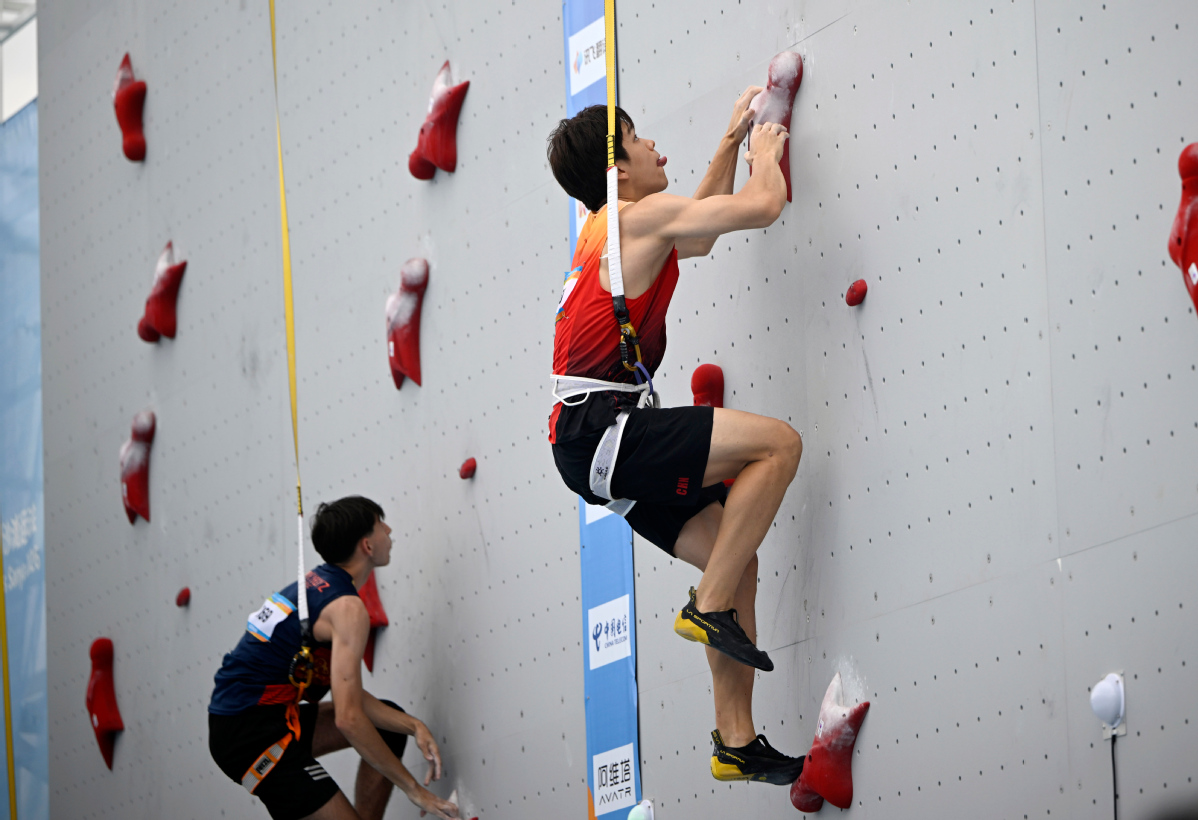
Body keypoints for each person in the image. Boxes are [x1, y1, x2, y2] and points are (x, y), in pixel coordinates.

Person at [546, 91, 804, 785]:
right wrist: (766, 155)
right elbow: (759, 209)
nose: (655, 146)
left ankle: (736, 742)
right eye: (638, 139)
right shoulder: (636, 217)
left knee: (735, 554)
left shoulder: (608, 228)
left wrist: (726, 145)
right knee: (779, 446)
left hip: (587, 444)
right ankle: (707, 605)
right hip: (605, 428)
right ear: (616, 169)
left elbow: (698, 237)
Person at [207, 495, 459, 820]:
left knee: (391, 726)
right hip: (247, 736)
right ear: (367, 545)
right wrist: (415, 790)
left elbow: (348, 699)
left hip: (265, 716)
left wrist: (413, 726)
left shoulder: (320, 583)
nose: (390, 529)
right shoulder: (347, 609)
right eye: (382, 524)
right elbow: (348, 718)